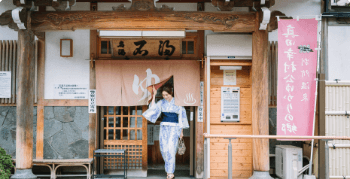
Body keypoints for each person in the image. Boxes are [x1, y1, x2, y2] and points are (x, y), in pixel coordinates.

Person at [142, 85, 189, 179]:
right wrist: (154, 95)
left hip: (174, 128)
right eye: (163, 95)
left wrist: (181, 131)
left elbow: (182, 117)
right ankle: (168, 169)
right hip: (164, 127)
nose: (165, 97)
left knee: (171, 149)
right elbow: (153, 109)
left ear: (170, 93)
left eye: (166, 95)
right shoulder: (161, 103)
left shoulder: (178, 103)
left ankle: (170, 172)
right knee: (163, 149)